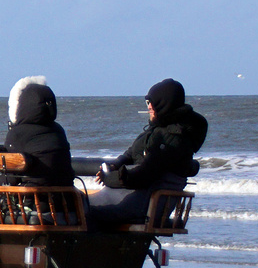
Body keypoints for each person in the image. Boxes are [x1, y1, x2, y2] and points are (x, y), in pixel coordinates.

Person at [88, 79, 206, 224]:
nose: (149, 107)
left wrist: (110, 178)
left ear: (164, 105)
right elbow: (131, 153)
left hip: (143, 203)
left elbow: (145, 175)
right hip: (132, 195)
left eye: (152, 103)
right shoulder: (158, 130)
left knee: (80, 209)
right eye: (148, 103)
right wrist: (116, 165)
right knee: (76, 205)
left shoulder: (173, 138)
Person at [2, 76, 74, 185]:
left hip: (34, 198)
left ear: (21, 106)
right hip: (63, 197)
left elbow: (10, 177)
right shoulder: (58, 130)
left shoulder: (17, 134)